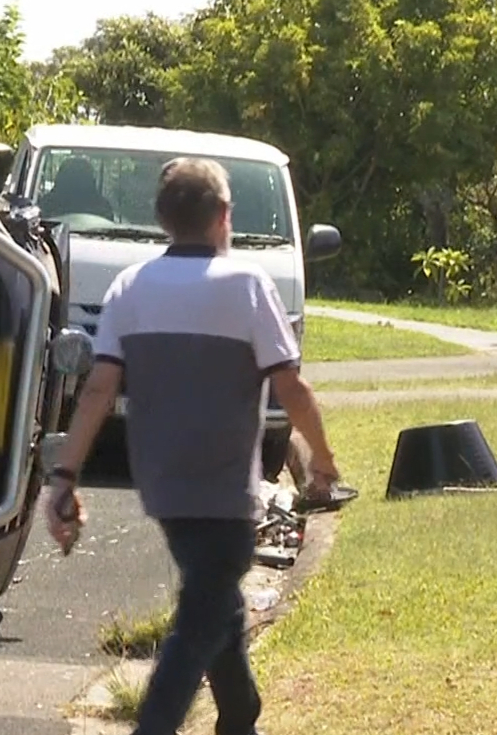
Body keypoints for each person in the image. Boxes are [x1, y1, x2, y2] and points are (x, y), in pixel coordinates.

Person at [43, 157, 341, 735]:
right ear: (224, 217)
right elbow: (291, 389)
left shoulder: (131, 286)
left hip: (165, 488)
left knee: (215, 599)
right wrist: (323, 461)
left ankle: (240, 716)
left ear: (162, 219)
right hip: (226, 490)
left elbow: (98, 390)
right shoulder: (249, 285)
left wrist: (66, 476)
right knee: (198, 622)